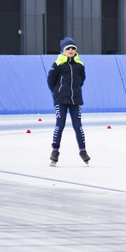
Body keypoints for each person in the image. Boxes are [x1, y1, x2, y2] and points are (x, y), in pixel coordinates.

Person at [46, 37, 90, 166]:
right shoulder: (57, 64)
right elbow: (50, 81)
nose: (71, 50)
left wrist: (75, 91)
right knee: (60, 124)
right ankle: (55, 151)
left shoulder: (79, 65)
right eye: (68, 48)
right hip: (61, 100)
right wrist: (57, 93)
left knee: (78, 126)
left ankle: (83, 151)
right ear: (63, 51)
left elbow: (81, 80)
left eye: (73, 48)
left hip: (75, 100)